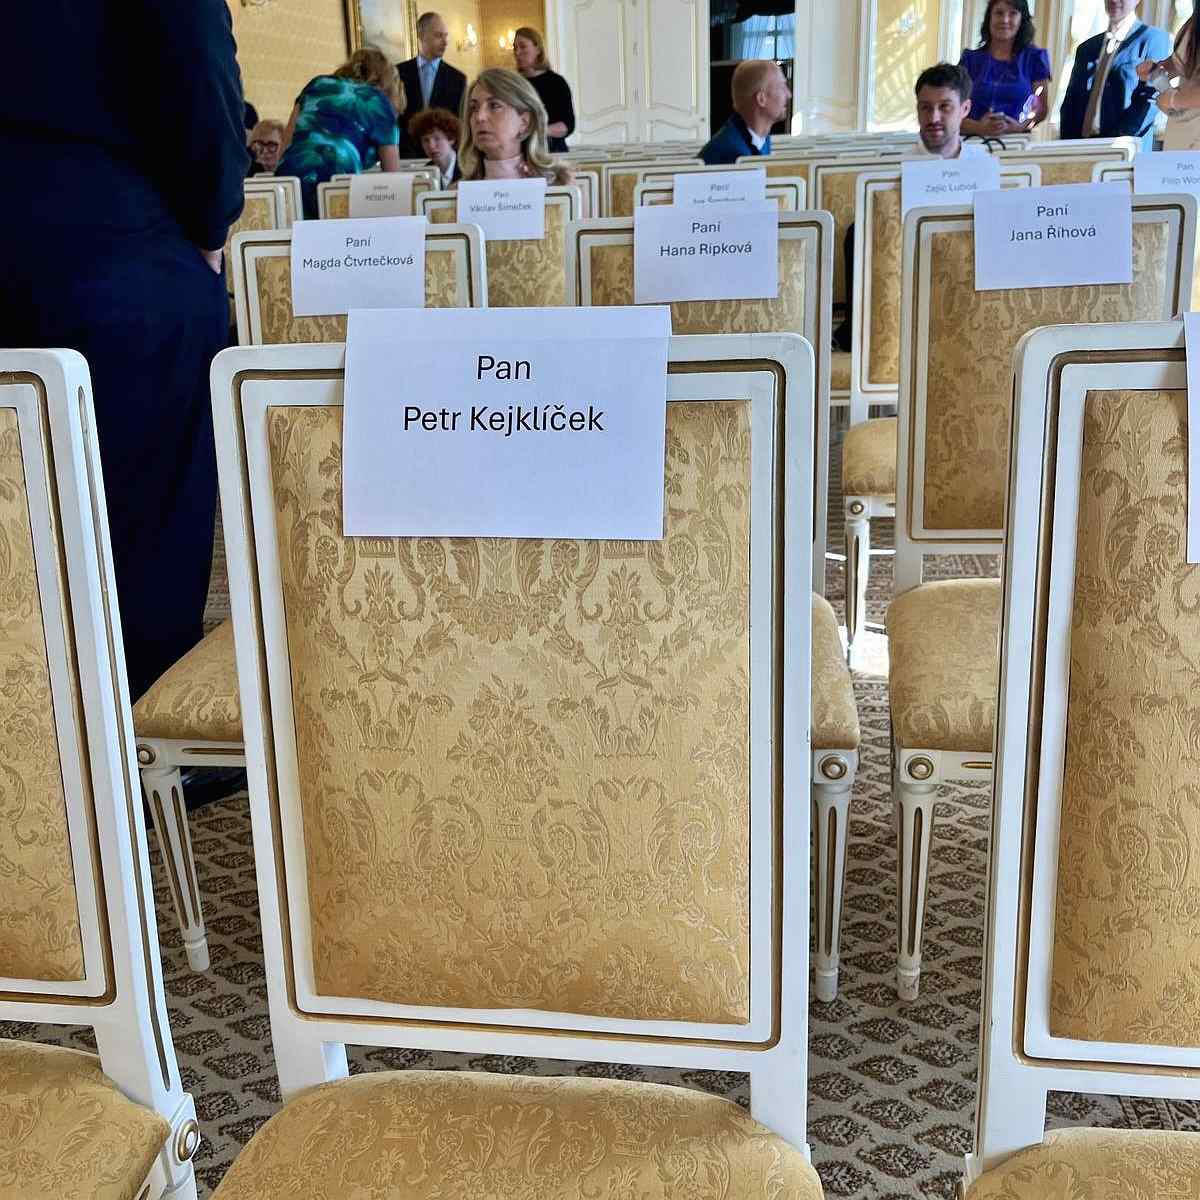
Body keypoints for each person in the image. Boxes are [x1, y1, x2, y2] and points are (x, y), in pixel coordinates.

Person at [0, 0, 246, 701]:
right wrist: (211, 223)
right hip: (107, 238)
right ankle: (133, 724)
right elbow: (197, 69)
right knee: (144, 529)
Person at [832, 63, 979, 352]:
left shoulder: (984, 168)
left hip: (965, 287)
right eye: (925, 107)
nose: (933, 117)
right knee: (858, 231)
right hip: (903, 290)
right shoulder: (892, 172)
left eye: (945, 107)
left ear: (965, 109)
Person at [275, 48, 403, 219]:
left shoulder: (318, 84)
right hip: (337, 182)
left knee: (292, 233)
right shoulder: (377, 101)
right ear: (385, 80)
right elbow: (393, 178)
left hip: (290, 177)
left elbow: (286, 143)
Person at [1060, 1, 1170, 150]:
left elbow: (1151, 98)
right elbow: (1070, 102)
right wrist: (1069, 146)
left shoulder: (1153, 39)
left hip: (1125, 149)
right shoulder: (1086, 49)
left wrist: (1115, 143)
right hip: (1081, 148)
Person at [457, 68, 574, 184]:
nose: (479, 117)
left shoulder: (557, 184)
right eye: (474, 108)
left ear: (524, 122)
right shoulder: (458, 192)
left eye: (494, 106)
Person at [959, 0, 1052, 137]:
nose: (1005, 20)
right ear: (989, 17)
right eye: (999, 13)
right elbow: (953, 110)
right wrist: (980, 127)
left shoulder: (1035, 58)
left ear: (1022, 19)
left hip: (1017, 141)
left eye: (1013, 13)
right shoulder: (969, 60)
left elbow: (1041, 109)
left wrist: (1020, 127)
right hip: (972, 141)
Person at [397, 13, 468, 158]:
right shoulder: (398, 73)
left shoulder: (457, 79)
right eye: (438, 36)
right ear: (421, 36)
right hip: (406, 156)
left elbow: (460, 123)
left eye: (446, 36)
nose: (445, 42)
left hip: (444, 157)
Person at [700, 60, 791, 165]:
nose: (788, 94)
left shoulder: (759, 137)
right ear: (761, 99)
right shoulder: (732, 154)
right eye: (782, 87)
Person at [1139, 4, 1200, 149]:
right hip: (1181, 131)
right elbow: (1183, 61)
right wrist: (1158, 69)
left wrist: (1175, 99)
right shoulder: (1194, 19)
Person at [512, 27, 575, 153]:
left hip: (552, 152)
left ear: (538, 49)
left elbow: (567, 125)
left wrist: (536, 130)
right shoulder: (513, 83)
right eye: (515, 47)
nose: (517, 52)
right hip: (519, 154)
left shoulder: (556, 82)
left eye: (523, 47)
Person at [410, 107, 461, 188]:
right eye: (426, 140)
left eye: (437, 139)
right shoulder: (424, 174)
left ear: (451, 139)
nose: (431, 146)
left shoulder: (469, 168)